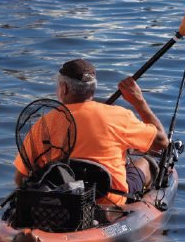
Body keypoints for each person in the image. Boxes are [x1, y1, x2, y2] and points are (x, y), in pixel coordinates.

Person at [13, 58, 169, 207]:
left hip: (58, 201)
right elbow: (162, 143)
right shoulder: (119, 115)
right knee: (145, 162)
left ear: (64, 88)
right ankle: (141, 206)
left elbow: (20, 178)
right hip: (110, 200)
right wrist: (138, 101)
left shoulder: (43, 123)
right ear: (92, 89)